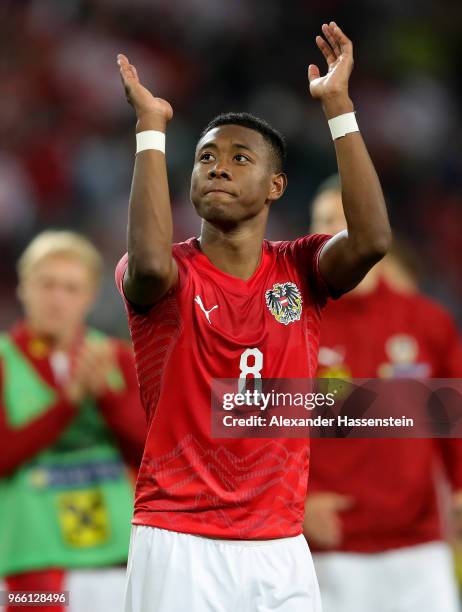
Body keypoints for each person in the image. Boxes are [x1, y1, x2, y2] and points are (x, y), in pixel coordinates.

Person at [116, 22, 391, 612]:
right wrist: (151, 131)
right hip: (179, 536)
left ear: (275, 186)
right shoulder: (166, 275)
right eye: (206, 157)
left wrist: (339, 108)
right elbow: (144, 259)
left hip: (280, 543)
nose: (218, 167)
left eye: (240, 158)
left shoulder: (299, 270)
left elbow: (370, 241)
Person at [304, 178, 462, 612]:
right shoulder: (293, 325)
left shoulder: (427, 322)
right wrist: (296, 504)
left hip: (419, 549)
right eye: (323, 222)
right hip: (328, 550)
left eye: (345, 218)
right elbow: (254, 427)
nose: (334, 232)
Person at [0, 231, 146, 612]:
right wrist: (69, 403)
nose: (57, 299)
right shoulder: (3, 361)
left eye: (70, 287)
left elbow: (151, 452)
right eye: (46, 284)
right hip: (31, 562)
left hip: (115, 553)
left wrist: (110, 401)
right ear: (24, 287)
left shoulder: (115, 357)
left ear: (90, 295)